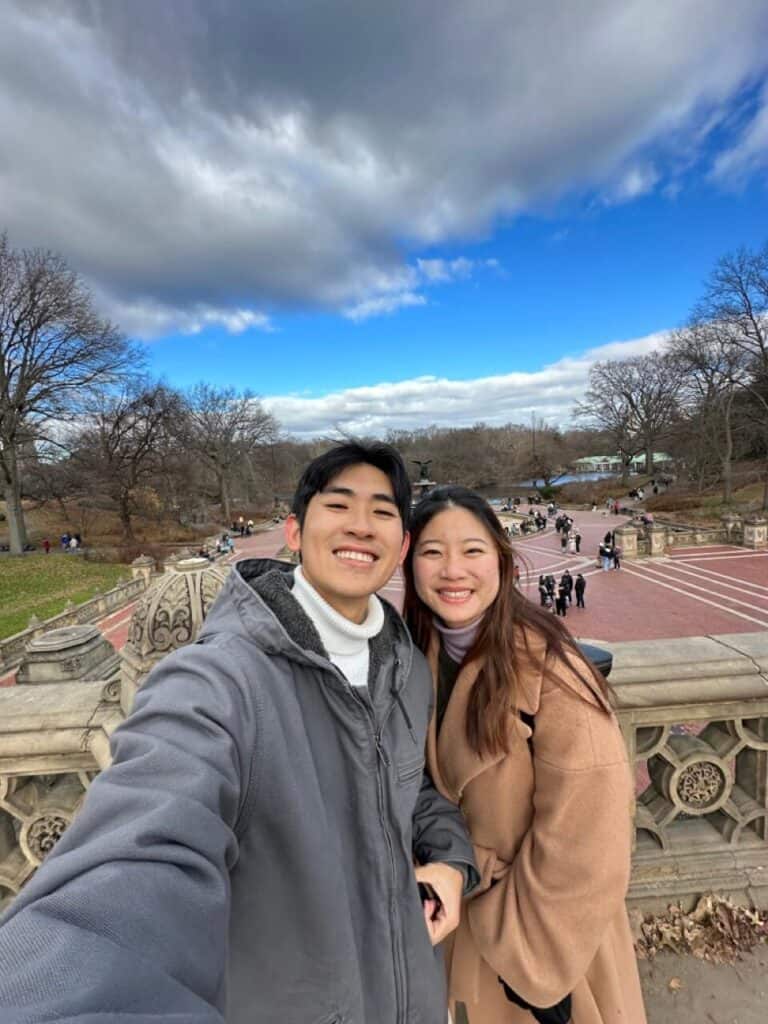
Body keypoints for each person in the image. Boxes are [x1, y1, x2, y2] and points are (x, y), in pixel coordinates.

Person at [0, 442, 477, 1024]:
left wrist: (452, 863)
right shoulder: (216, 681)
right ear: (294, 532)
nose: (361, 525)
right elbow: (141, 842)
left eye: (382, 511)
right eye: (339, 505)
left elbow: (412, 787)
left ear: (400, 546)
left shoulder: (404, 664)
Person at [403, 487, 646, 1024]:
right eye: (432, 552)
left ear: (501, 561)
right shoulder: (411, 658)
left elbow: (592, 836)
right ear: (411, 564)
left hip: (545, 938)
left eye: (472, 550)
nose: (452, 570)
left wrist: (531, 962)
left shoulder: (551, 666)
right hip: (450, 922)